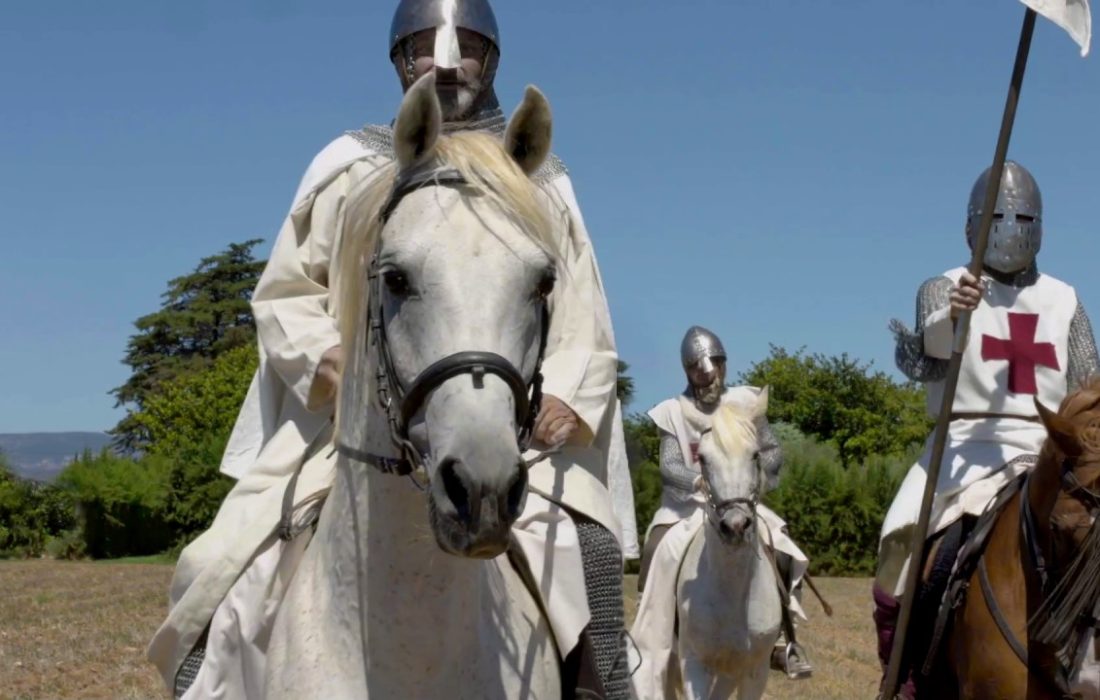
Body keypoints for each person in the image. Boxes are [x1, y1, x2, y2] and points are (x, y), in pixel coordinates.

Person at [147, 2, 636, 697]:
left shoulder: (542, 180)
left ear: (491, 59)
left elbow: (580, 309)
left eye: (464, 45)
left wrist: (562, 390)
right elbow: (286, 290)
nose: (443, 62)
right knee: (222, 565)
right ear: (398, 60)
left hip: (513, 427)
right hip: (352, 419)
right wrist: (324, 357)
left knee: (584, 557)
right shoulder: (349, 166)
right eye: (422, 47)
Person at [876, 160, 1100, 697]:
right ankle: (904, 675)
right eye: (1001, 216)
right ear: (974, 223)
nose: (1012, 227)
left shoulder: (1064, 299)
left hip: (1047, 446)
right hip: (963, 447)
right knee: (905, 547)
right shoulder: (948, 288)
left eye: (1023, 217)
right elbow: (918, 363)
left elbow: (1087, 383)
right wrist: (953, 320)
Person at [633, 325, 813, 685]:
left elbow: (771, 448)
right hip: (687, 506)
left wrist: (760, 472)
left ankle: (785, 640)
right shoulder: (672, 411)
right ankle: (659, 640)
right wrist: (696, 480)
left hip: (739, 499)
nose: (707, 371)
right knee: (657, 550)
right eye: (699, 366)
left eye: (713, 362)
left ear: (723, 363)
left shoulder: (746, 402)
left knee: (782, 546)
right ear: (688, 370)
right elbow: (670, 465)